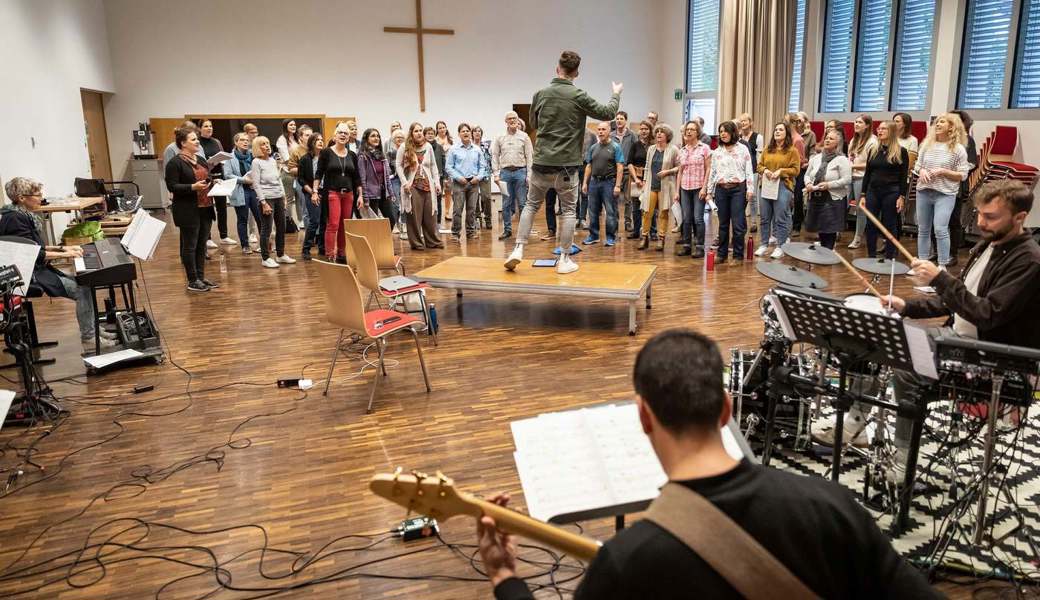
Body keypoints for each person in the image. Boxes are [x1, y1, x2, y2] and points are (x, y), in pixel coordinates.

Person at [477, 328, 940, 600]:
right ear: (726, 409)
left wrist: (505, 577)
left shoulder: (627, 564)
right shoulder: (830, 506)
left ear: (644, 416)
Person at [872, 179, 1040, 481]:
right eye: (979, 214)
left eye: (990, 217)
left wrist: (940, 278)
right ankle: (856, 424)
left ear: (1020, 218)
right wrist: (906, 306)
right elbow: (955, 301)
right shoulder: (987, 244)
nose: (980, 223)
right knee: (883, 338)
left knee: (908, 368)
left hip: (993, 358)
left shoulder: (1029, 260)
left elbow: (986, 314)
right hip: (958, 340)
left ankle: (903, 458)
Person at [504, 50, 622, 274]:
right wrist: (616, 93)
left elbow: (533, 122)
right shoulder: (579, 96)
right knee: (568, 211)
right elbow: (608, 111)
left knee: (530, 205)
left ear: (557, 69)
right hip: (567, 165)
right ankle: (565, 259)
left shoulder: (540, 94)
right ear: (576, 73)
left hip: (541, 162)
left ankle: (518, 249)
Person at [0, 178, 117, 349]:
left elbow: (36, 247)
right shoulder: (15, 220)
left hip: (36, 269)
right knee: (82, 289)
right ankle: (89, 336)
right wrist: (66, 253)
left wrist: (63, 249)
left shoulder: (20, 215)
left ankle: (93, 328)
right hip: (28, 275)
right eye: (37, 194)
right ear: (21, 198)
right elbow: (32, 255)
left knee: (85, 282)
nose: (41, 198)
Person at [913, 113, 971, 271]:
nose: (937, 124)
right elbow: (917, 166)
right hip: (924, 191)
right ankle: (922, 264)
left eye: (942, 122)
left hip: (945, 194)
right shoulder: (926, 145)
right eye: (937, 122)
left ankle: (942, 265)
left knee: (940, 228)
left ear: (951, 127)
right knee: (923, 229)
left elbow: (963, 175)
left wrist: (943, 171)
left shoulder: (958, 149)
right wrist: (922, 171)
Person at [164, 126, 218, 292]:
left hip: (206, 207)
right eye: (193, 139)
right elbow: (172, 186)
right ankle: (192, 279)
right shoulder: (175, 163)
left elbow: (206, 179)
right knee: (190, 246)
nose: (197, 142)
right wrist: (192, 187)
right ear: (183, 143)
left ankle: (200, 276)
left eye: (197, 139)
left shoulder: (201, 160)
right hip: (188, 209)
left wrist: (214, 183)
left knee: (202, 244)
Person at [705, 121, 753, 264]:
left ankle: (738, 256)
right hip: (721, 190)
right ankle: (722, 254)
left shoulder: (743, 149)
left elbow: (749, 170)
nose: (723, 134)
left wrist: (750, 189)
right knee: (723, 224)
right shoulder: (717, 151)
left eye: (726, 131)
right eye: (721, 131)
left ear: (733, 133)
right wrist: (709, 191)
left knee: (738, 224)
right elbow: (713, 172)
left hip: (738, 189)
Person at [860, 121, 909, 260]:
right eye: (879, 128)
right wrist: (863, 194)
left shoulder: (901, 151)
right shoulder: (873, 150)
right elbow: (867, 174)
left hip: (891, 191)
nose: (879, 131)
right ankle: (871, 256)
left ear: (891, 132)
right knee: (871, 223)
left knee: (889, 224)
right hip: (873, 191)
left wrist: (902, 197)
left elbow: (903, 176)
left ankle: (889, 256)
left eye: (883, 129)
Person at [315, 122, 362, 263]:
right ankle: (330, 254)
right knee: (333, 224)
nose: (343, 135)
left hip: (349, 194)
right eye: (340, 132)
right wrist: (315, 191)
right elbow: (319, 174)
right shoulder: (326, 152)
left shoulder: (353, 155)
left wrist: (360, 195)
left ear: (349, 137)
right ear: (334, 136)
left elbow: (357, 177)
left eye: (346, 133)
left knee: (344, 225)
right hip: (332, 193)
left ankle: (342, 253)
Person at [754, 122, 800, 259]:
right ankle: (763, 244)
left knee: (781, 218)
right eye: (775, 130)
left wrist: (781, 171)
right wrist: (766, 170)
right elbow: (759, 166)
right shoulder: (768, 148)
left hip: (783, 186)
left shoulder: (792, 151)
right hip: (767, 185)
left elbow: (796, 170)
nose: (777, 132)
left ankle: (780, 246)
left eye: (780, 130)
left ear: (786, 133)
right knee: (764, 217)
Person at [396, 122, 444, 250]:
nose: (419, 133)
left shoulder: (428, 146)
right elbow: (398, 165)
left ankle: (433, 241)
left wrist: (437, 182)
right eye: (416, 131)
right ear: (411, 133)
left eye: (420, 130)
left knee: (430, 214)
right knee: (414, 216)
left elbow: (433, 166)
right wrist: (404, 182)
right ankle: (417, 243)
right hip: (412, 186)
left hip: (428, 185)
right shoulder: (404, 147)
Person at [250, 136, 295, 269]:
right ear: (258, 148)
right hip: (267, 198)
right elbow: (256, 184)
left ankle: (280, 255)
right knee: (266, 229)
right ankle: (265, 258)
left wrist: (284, 196)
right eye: (263, 144)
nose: (267, 146)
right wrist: (263, 202)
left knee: (282, 227)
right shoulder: (256, 162)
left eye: (268, 143)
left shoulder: (272, 161)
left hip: (278, 197)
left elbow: (279, 180)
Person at [803, 129, 852, 250]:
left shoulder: (842, 159)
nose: (827, 140)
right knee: (820, 226)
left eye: (831, 138)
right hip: (816, 196)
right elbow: (807, 174)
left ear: (838, 143)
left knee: (829, 228)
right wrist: (808, 183)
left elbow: (847, 179)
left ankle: (828, 251)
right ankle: (824, 251)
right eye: (826, 138)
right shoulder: (816, 158)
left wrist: (829, 185)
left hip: (833, 198)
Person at [492, 111, 534, 241]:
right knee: (506, 204)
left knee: (522, 203)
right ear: (506, 121)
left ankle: (523, 232)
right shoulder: (500, 137)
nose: (512, 120)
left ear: (517, 120)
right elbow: (495, 156)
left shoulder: (525, 136)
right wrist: (496, 174)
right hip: (505, 174)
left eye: (514, 118)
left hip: (520, 173)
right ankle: (507, 230)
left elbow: (530, 157)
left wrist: (529, 175)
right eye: (509, 119)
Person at [581, 121, 625, 246]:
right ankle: (593, 235)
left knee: (611, 211)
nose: (600, 132)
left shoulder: (616, 147)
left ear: (609, 131)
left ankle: (611, 237)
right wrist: (585, 183)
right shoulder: (593, 147)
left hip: (609, 182)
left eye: (603, 129)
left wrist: (617, 185)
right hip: (594, 182)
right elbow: (589, 166)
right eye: (599, 130)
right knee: (593, 210)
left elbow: (620, 167)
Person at [637, 125, 679, 252]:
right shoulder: (651, 149)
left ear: (668, 135)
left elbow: (679, 167)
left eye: (662, 132)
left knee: (663, 212)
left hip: (665, 185)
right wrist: (644, 182)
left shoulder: (673, 149)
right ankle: (644, 237)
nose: (659, 134)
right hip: (651, 184)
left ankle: (661, 238)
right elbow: (646, 166)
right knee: (646, 211)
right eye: (657, 132)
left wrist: (667, 171)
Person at [674, 120, 711, 257]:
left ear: (697, 133)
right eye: (687, 130)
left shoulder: (704, 148)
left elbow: (708, 170)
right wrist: (677, 191)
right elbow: (680, 171)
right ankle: (686, 245)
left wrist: (704, 188)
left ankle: (700, 247)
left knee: (698, 218)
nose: (688, 131)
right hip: (684, 187)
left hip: (698, 187)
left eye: (692, 129)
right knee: (686, 218)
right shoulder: (682, 150)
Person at [445, 123, 487, 240]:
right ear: (459, 134)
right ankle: (455, 233)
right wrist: (459, 178)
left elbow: (483, 166)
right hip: (459, 183)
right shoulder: (454, 149)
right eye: (463, 131)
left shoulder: (477, 149)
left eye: (467, 131)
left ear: (470, 133)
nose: (466, 133)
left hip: (473, 183)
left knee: (472, 210)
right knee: (457, 210)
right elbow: (448, 167)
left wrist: (478, 178)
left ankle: (470, 232)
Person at [223, 132, 263, 256]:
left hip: (254, 189)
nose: (246, 142)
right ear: (236, 142)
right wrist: (243, 180)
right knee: (242, 219)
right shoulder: (229, 157)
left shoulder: (253, 155)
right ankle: (245, 245)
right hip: (241, 189)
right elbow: (228, 175)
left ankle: (264, 244)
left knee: (260, 217)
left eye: (247, 140)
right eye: (242, 140)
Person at [197, 119, 235, 247]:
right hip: (207, 178)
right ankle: (207, 238)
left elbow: (223, 156)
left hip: (219, 177)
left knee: (222, 208)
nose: (209, 128)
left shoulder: (216, 142)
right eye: (206, 126)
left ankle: (224, 236)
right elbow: (198, 162)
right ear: (200, 128)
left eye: (211, 126)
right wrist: (208, 163)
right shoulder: (198, 143)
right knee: (207, 208)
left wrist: (221, 160)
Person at [358, 128, 399, 233]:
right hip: (371, 195)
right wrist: (365, 198)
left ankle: (382, 241)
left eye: (378, 136)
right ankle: (374, 245)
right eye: (373, 136)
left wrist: (391, 193)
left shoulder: (381, 155)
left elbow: (386, 177)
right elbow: (362, 179)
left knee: (391, 220)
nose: (376, 138)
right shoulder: (363, 156)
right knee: (373, 224)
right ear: (366, 139)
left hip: (383, 193)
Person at [846, 114, 878, 249]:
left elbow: (872, 164)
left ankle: (858, 237)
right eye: (855, 122)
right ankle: (834, 233)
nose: (856, 124)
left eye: (860, 122)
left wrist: (852, 166)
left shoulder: (873, 141)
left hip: (862, 178)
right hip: (850, 176)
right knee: (842, 204)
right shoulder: (854, 139)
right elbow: (850, 157)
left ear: (867, 125)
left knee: (860, 209)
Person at [298, 132, 325, 259]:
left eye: (321, 140)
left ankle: (322, 247)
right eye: (317, 140)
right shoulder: (305, 159)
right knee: (314, 221)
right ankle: (306, 248)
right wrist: (313, 192)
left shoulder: (326, 157)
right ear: (311, 143)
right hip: (310, 192)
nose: (320, 142)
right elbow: (301, 180)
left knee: (324, 221)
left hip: (325, 192)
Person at [625, 121, 652, 241]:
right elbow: (629, 162)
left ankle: (653, 231)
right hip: (637, 179)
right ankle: (636, 231)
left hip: (651, 179)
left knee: (651, 207)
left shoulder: (654, 145)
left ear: (650, 130)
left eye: (646, 129)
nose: (644, 131)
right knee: (636, 206)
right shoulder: (635, 145)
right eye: (641, 129)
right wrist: (636, 178)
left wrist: (647, 179)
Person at [612, 112, 637, 232]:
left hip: (627, 170)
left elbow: (636, 151)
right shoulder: (611, 135)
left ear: (626, 120)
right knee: (614, 198)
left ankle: (628, 221)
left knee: (628, 199)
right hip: (614, 171)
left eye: (621, 119)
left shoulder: (632, 135)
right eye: (617, 119)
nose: (619, 121)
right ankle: (615, 221)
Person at [738, 113, 763, 232]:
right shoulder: (738, 137)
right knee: (741, 197)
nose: (743, 123)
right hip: (740, 172)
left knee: (752, 196)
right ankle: (740, 219)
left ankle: (753, 222)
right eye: (741, 121)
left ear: (751, 123)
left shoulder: (758, 137)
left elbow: (759, 156)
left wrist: (760, 172)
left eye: (745, 121)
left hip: (753, 170)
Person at [275, 119, 301, 229]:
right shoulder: (282, 139)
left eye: (294, 124)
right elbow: (286, 159)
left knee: (300, 197)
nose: (293, 126)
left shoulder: (296, 139)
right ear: (286, 126)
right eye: (291, 125)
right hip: (288, 172)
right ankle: (288, 222)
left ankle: (301, 221)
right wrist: (299, 165)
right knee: (289, 199)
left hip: (298, 171)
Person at [471, 126, 494, 230]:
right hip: (473, 175)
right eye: (475, 131)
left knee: (487, 197)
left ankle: (488, 218)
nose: (477, 133)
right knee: (474, 198)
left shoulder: (486, 145)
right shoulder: (469, 146)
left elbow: (490, 157)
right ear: (472, 133)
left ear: (481, 133)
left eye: (479, 131)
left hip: (485, 174)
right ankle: (476, 218)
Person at [387, 128, 408, 239]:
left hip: (405, 179)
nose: (399, 139)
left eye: (401, 137)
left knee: (405, 202)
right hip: (394, 179)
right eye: (397, 137)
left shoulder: (407, 150)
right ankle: (394, 224)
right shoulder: (390, 152)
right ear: (393, 139)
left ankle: (404, 224)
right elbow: (387, 166)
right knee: (395, 203)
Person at [434, 120, 454, 221]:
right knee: (438, 191)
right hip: (439, 168)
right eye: (440, 128)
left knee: (448, 191)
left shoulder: (450, 140)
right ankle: (437, 212)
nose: (442, 129)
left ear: (446, 128)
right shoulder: (434, 140)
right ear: (437, 130)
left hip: (449, 168)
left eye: (443, 127)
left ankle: (447, 212)